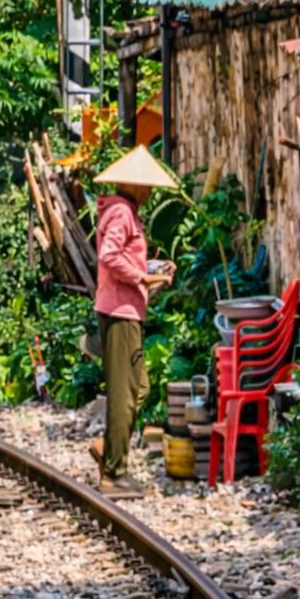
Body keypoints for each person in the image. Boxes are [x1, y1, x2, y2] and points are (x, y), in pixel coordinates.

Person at [88, 146, 177, 498]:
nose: (151, 191)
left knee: (139, 389)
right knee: (126, 394)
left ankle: (108, 446)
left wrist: (152, 270)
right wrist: (143, 278)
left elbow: (120, 256)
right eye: (147, 185)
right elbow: (109, 256)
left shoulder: (123, 212)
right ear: (134, 185)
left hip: (124, 309)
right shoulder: (122, 213)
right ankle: (114, 472)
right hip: (120, 311)